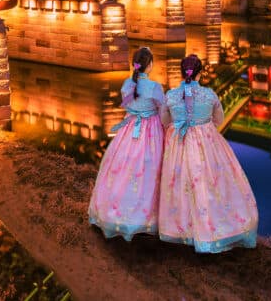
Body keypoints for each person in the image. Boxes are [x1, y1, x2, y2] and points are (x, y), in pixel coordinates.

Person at [158, 54, 258, 253]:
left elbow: (164, 120)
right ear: (200, 73)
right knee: (209, 183)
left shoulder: (170, 95)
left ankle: (181, 228)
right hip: (206, 143)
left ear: (181, 72)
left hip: (179, 144)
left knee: (180, 183)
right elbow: (219, 119)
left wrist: (180, 123)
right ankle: (212, 228)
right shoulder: (209, 95)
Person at [88, 46, 168, 240]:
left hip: (129, 129)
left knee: (123, 169)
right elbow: (163, 112)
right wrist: (167, 129)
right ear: (149, 65)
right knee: (149, 169)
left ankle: (115, 209)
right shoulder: (155, 87)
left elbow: (128, 106)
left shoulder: (126, 85)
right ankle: (146, 216)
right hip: (150, 132)